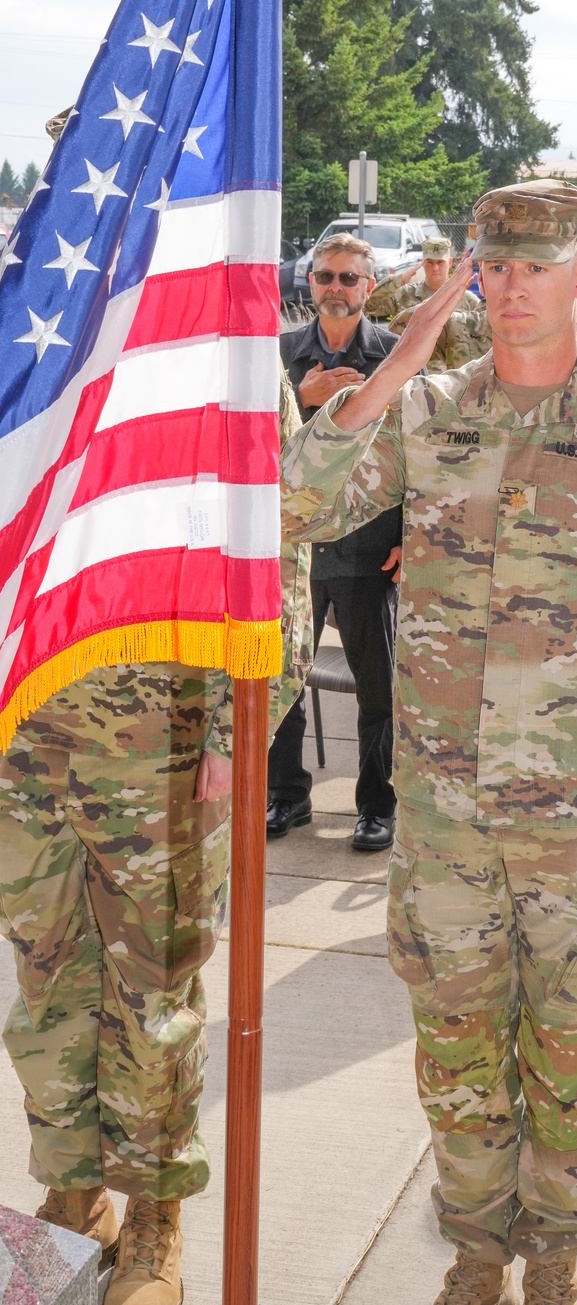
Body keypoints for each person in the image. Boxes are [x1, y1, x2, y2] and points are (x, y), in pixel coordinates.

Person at [281, 178, 577, 1305]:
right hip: (443, 810)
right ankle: (476, 1258)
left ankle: (556, 1261)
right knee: (454, 1051)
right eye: (493, 264)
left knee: (568, 1049)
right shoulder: (430, 412)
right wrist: (396, 366)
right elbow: (298, 501)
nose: (512, 286)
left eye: (536, 265)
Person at [0, 374, 310, 1305]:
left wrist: (235, 732)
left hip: (160, 737)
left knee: (152, 984)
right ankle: (72, 1186)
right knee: (46, 971)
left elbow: (276, 547)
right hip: (27, 722)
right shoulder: (41, 313)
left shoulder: (222, 340)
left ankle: (153, 1213)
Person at [275, 233, 402, 850]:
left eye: (349, 279)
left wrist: (412, 536)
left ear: (368, 288)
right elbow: (252, 439)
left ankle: (377, 806)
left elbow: (421, 450)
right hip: (293, 549)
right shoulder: (277, 355)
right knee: (281, 680)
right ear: (310, 283)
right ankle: (286, 796)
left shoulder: (396, 356)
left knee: (378, 686)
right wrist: (303, 398)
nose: (336, 288)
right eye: (325, 276)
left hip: (365, 541)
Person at [368, 234, 491, 370]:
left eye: (440, 263)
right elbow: (369, 305)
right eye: (430, 262)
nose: (435, 268)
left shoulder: (468, 300)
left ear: (450, 262)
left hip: (452, 382)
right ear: (423, 262)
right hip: (409, 376)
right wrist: (399, 280)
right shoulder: (405, 294)